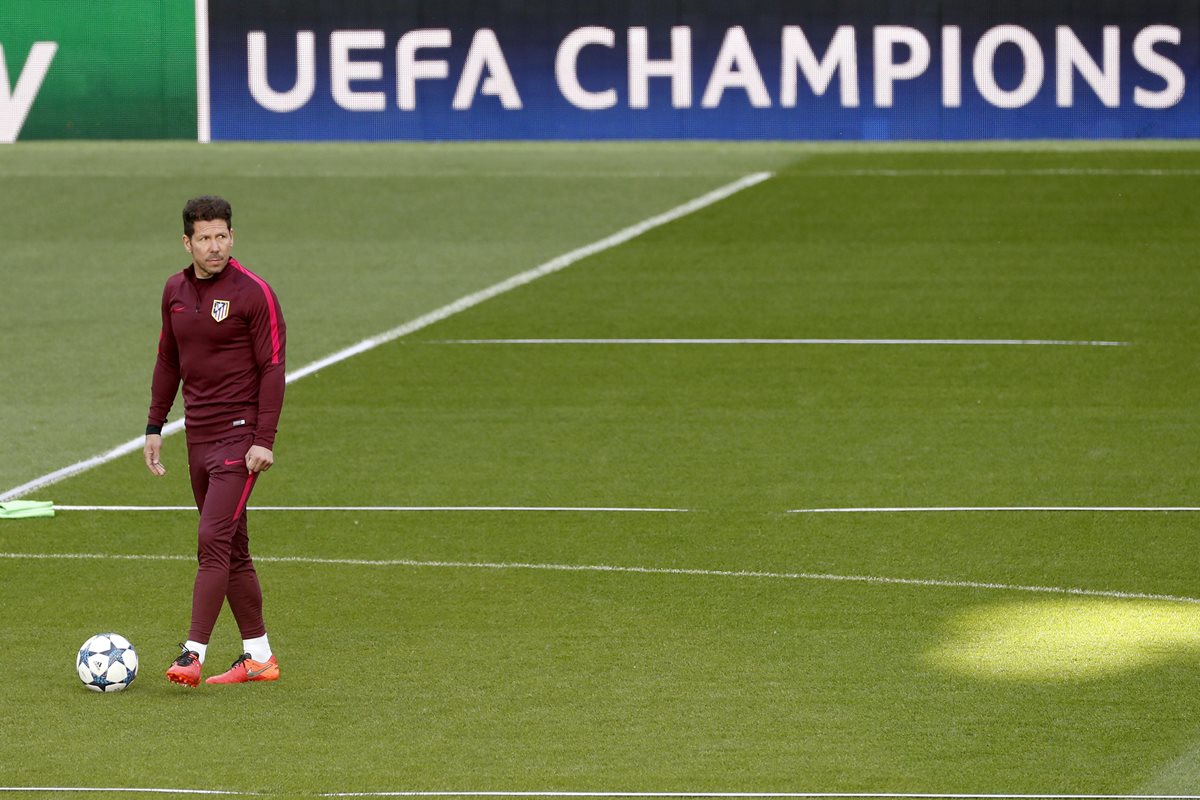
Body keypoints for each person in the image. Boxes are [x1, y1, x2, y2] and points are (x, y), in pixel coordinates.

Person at [144, 195, 286, 687]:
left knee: (211, 539)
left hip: (240, 438)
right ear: (187, 242)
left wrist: (264, 438)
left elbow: (273, 367)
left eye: (221, 236)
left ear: (233, 237)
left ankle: (193, 652)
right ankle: (259, 658)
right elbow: (168, 360)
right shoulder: (174, 291)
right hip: (197, 437)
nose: (214, 246)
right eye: (203, 238)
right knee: (234, 547)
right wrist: (154, 426)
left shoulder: (253, 293)